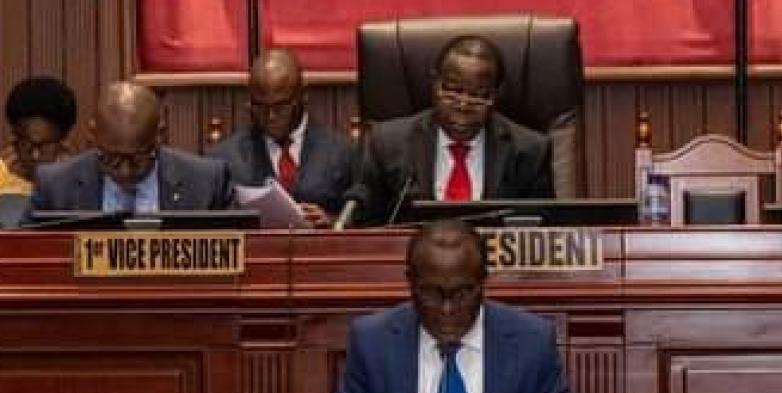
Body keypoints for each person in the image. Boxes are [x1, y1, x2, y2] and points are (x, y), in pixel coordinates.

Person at [332, 219, 575, 393]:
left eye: (461, 293)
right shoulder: (372, 342)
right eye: (432, 294)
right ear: (410, 283)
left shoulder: (532, 341)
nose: (447, 309)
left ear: (482, 282)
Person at [348, 35, 554, 225]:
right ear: (434, 83)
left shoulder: (529, 151)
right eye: (452, 91)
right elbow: (365, 224)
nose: (463, 105)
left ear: (497, 95)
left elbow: (541, 227)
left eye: (479, 95)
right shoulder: (387, 144)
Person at [29, 81, 231, 215]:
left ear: (159, 135)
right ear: (93, 135)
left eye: (138, 158)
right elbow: (24, 261)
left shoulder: (207, 183)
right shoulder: (55, 186)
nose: (125, 171)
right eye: (111, 159)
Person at [208, 48, 353, 228]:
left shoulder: (343, 153)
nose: (270, 117)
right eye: (260, 107)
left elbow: (366, 221)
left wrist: (333, 222)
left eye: (281, 107)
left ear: (303, 96)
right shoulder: (224, 159)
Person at [0, 76, 77, 196]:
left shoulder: (82, 188)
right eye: (26, 145)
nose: (35, 156)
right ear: (13, 142)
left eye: (43, 147)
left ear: (64, 144)